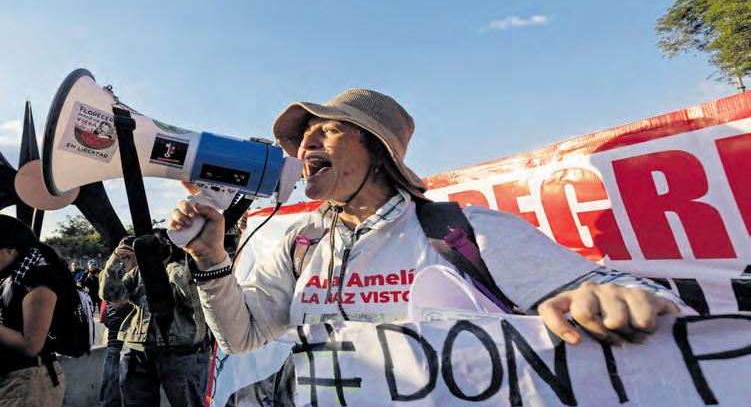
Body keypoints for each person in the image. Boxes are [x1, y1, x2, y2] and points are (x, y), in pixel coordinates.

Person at [171, 88, 686, 354]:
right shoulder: (300, 243)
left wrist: (613, 301)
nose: (306, 144)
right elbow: (242, 338)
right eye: (304, 137)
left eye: (327, 130)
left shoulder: (463, 232)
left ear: (377, 151)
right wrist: (211, 259)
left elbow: (637, 295)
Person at [99, 229, 210, 407]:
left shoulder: (178, 270)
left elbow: (194, 301)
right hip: (137, 351)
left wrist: (180, 265)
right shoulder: (136, 273)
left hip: (179, 352)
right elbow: (111, 294)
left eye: (159, 243)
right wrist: (117, 259)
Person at [0, 215, 70, 407]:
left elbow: (31, 344)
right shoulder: (9, 278)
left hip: (28, 380)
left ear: (10, 249)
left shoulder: (39, 282)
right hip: (17, 380)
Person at [84, 296, 132, 407]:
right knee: (110, 403)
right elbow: (105, 315)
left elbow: (116, 306)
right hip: (117, 345)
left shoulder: (130, 281)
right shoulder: (113, 281)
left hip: (130, 345)